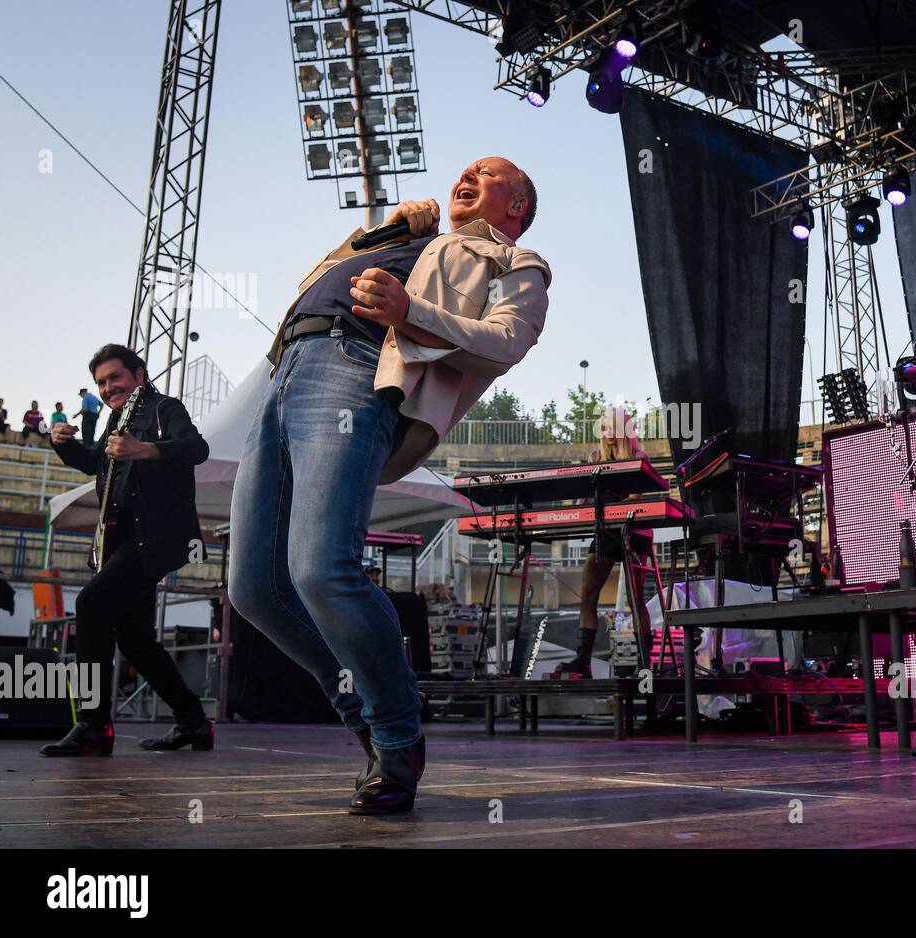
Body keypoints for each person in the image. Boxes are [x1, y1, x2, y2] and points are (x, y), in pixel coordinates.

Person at [229, 156, 550, 815]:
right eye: (465, 169)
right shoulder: (410, 237)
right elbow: (312, 281)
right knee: (254, 588)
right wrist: (388, 228)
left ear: (516, 205)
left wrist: (409, 311)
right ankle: (374, 721)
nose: (466, 175)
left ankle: (395, 735)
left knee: (321, 569)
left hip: (356, 365)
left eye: (486, 173)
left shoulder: (516, 260)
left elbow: (507, 340)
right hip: (287, 368)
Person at [41, 344, 213, 757]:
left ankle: (94, 724)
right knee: (135, 640)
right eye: (101, 382)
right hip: (120, 539)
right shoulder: (116, 420)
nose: (107, 388)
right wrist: (62, 443)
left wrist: (145, 449)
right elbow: (94, 462)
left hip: (153, 537)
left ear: (138, 374)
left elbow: (197, 448)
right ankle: (193, 720)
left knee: (91, 605)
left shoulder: (164, 408)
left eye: (114, 377)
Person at [552, 406, 655, 678]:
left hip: (634, 530)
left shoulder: (639, 457)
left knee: (635, 597)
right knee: (588, 595)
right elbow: (584, 497)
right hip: (605, 531)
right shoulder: (597, 458)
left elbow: (634, 498)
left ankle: (645, 662)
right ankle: (583, 660)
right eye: (604, 427)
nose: (607, 432)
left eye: (612, 427)